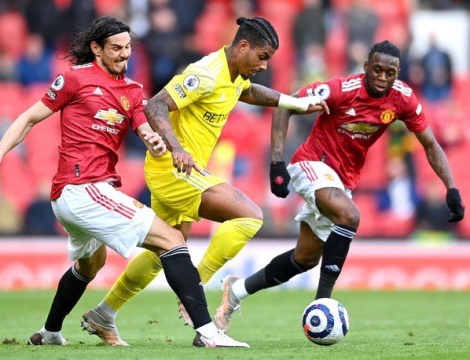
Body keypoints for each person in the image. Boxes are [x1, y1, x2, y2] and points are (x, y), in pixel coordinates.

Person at [0, 16, 249, 348]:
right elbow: (28, 118)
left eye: (128, 48)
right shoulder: (74, 79)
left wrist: (155, 141)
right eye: (116, 48)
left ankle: (49, 332)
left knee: (91, 264)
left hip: (89, 192)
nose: (124, 55)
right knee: (172, 239)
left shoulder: (132, 90)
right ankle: (208, 332)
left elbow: (143, 126)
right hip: (80, 188)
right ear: (96, 48)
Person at [82, 16, 327, 345]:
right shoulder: (205, 74)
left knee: (163, 250)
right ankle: (194, 288)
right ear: (242, 46)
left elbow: (248, 91)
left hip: (179, 171)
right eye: (262, 57)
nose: (265, 65)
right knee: (250, 215)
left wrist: (293, 102)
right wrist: (178, 148)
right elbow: (155, 105)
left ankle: (104, 313)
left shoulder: (234, 73)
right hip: (175, 170)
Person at [214, 40, 465, 331]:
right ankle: (323, 304)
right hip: (312, 163)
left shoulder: (403, 99)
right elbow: (285, 107)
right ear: (366, 67)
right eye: (378, 70)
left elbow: (431, 144)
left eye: (390, 73)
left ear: (398, 73)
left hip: (341, 179)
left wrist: (451, 188)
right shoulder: (339, 90)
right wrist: (277, 163)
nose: (383, 78)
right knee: (350, 216)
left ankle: (236, 291)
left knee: (305, 258)